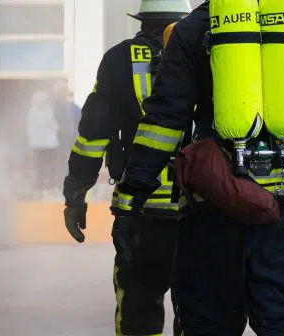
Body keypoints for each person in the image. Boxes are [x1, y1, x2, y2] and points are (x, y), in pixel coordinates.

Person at [109, 2, 284, 335]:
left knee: (206, 326)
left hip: (213, 203)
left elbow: (164, 122)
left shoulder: (194, 28)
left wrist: (131, 197)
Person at [61, 1, 191, 335]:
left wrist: (76, 192)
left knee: (137, 310)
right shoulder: (207, 55)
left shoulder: (118, 59)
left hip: (140, 209)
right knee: (200, 313)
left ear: (143, 20)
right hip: (199, 209)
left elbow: (93, 134)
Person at [28, 91, 59, 198]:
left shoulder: (32, 112)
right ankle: (49, 189)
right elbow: (54, 126)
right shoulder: (46, 111)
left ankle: (38, 189)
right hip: (49, 145)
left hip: (36, 145)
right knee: (51, 167)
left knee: (39, 168)